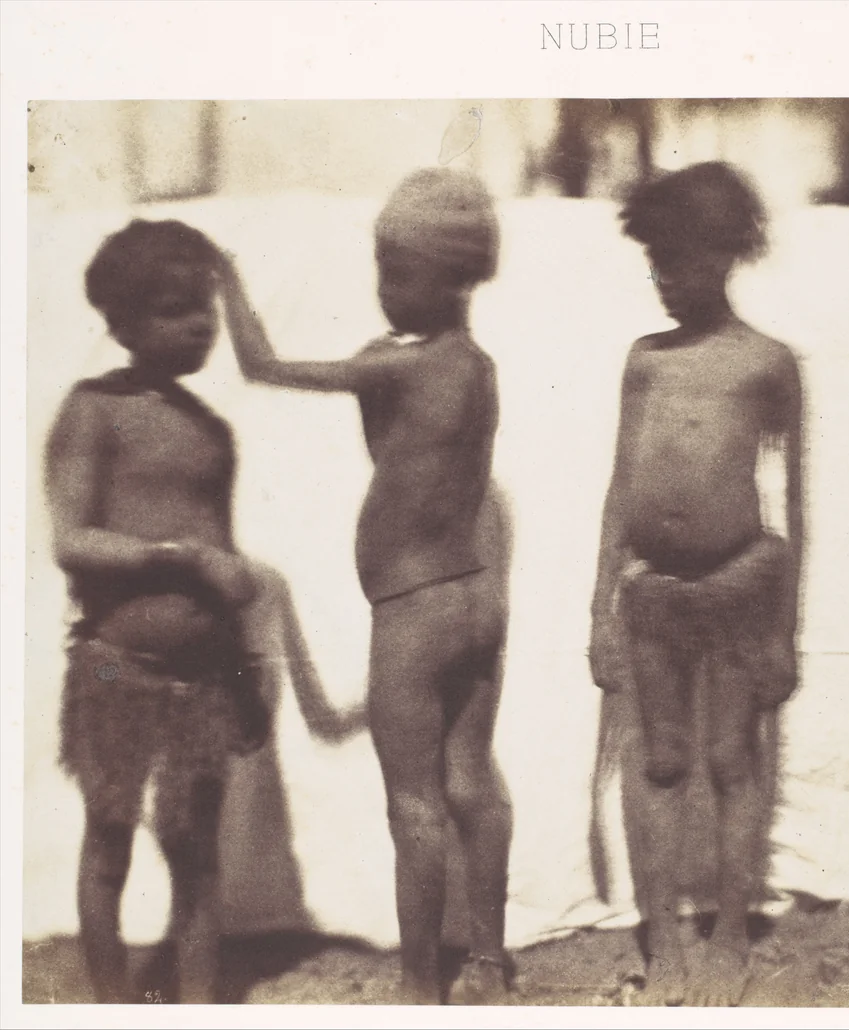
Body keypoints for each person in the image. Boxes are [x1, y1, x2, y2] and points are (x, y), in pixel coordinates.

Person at [220, 167, 513, 1005]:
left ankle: (421, 988)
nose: (383, 289)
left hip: (414, 613)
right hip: (477, 601)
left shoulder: (392, 366)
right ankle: (488, 963)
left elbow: (261, 364)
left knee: (414, 805)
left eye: (398, 271)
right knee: (473, 782)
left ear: (455, 276)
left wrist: (229, 278)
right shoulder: (477, 366)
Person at [589, 162, 806, 1006]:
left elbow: (793, 500)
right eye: (655, 264)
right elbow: (619, 487)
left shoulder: (768, 363)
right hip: (653, 593)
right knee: (662, 761)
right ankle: (667, 937)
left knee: (729, 758)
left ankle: (726, 935)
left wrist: (785, 627)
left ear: (725, 252)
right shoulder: (646, 360)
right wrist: (599, 606)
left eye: (678, 262)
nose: (665, 281)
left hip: (741, 585)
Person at [46, 219, 269, 1004]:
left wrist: (246, 673)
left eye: (204, 306)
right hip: (112, 666)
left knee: (196, 853)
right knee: (109, 839)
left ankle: (199, 1008)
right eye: (176, 310)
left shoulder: (212, 430)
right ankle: (111, 1006)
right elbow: (71, 541)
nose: (201, 324)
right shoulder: (93, 409)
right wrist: (170, 558)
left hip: (201, 678)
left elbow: (225, 554)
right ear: (123, 322)